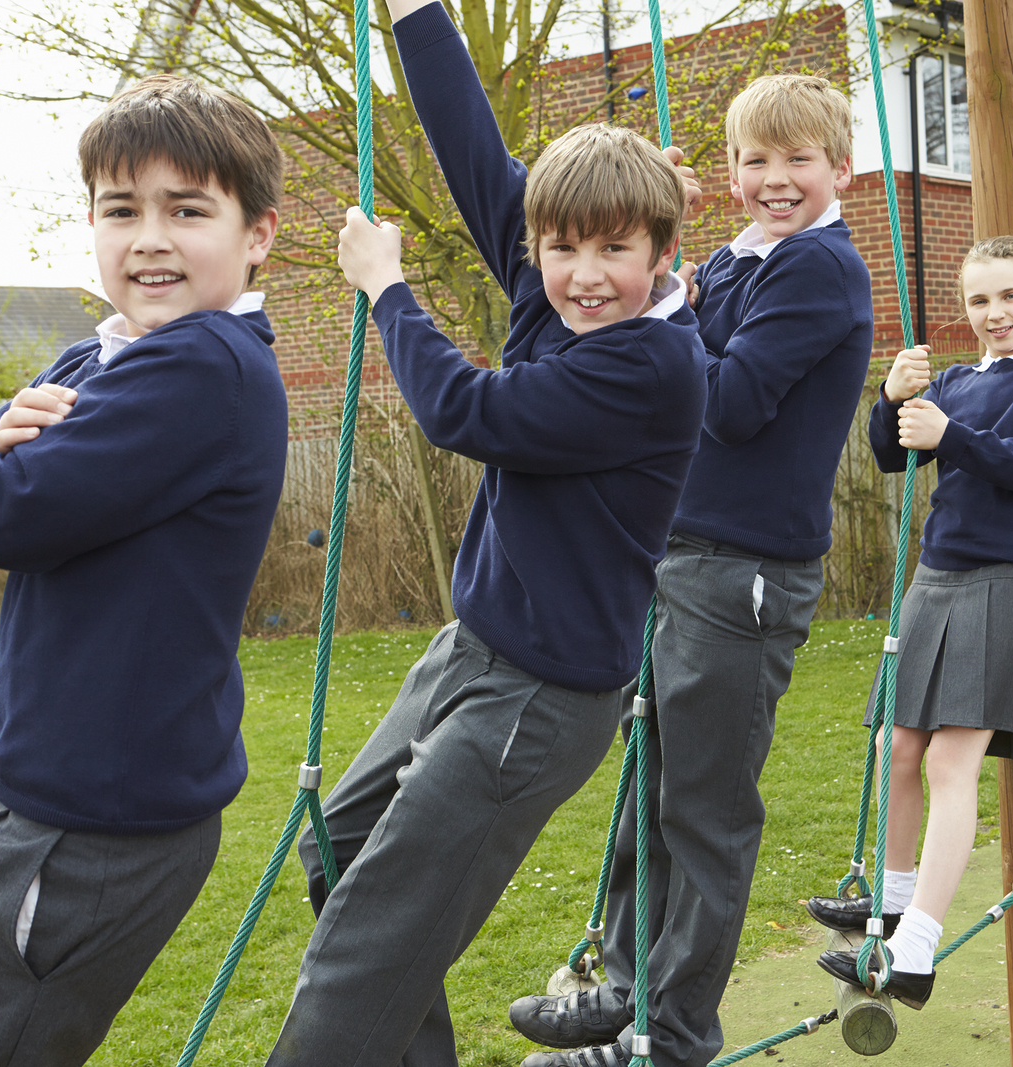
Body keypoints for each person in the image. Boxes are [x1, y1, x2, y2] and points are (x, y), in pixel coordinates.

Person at [262, 1, 708, 1063]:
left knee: (366, 946)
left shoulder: (649, 363)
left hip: (539, 699)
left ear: (662, 248)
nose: (584, 273)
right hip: (473, 650)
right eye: (561, 247)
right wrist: (416, 15)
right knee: (342, 844)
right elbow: (471, 146)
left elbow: (470, 415)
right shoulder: (560, 296)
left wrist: (387, 290)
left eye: (615, 249)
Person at [0, 74, 288, 1064]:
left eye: (188, 209)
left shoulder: (208, 367)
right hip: (19, 784)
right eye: (121, 209)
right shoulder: (86, 360)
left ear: (256, 233)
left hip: (94, 824)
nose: (149, 237)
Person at [507, 72, 874, 1067]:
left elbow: (733, 400)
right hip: (683, 552)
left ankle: (669, 1035)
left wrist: (672, 315)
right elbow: (675, 335)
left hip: (743, 568)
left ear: (841, 167)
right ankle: (627, 987)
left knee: (703, 810)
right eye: (755, 158)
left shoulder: (817, 270)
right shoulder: (736, 259)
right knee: (648, 788)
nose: (775, 178)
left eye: (798, 158)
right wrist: (673, 266)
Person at [807, 236, 1013, 1008]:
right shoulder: (961, 378)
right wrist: (892, 401)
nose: (993, 312)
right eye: (978, 300)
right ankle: (893, 903)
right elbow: (897, 459)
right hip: (936, 578)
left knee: (950, 762)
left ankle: (919, 947)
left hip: (1006, 582)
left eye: (1008, 296)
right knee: (893, 743)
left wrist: (951, 435)